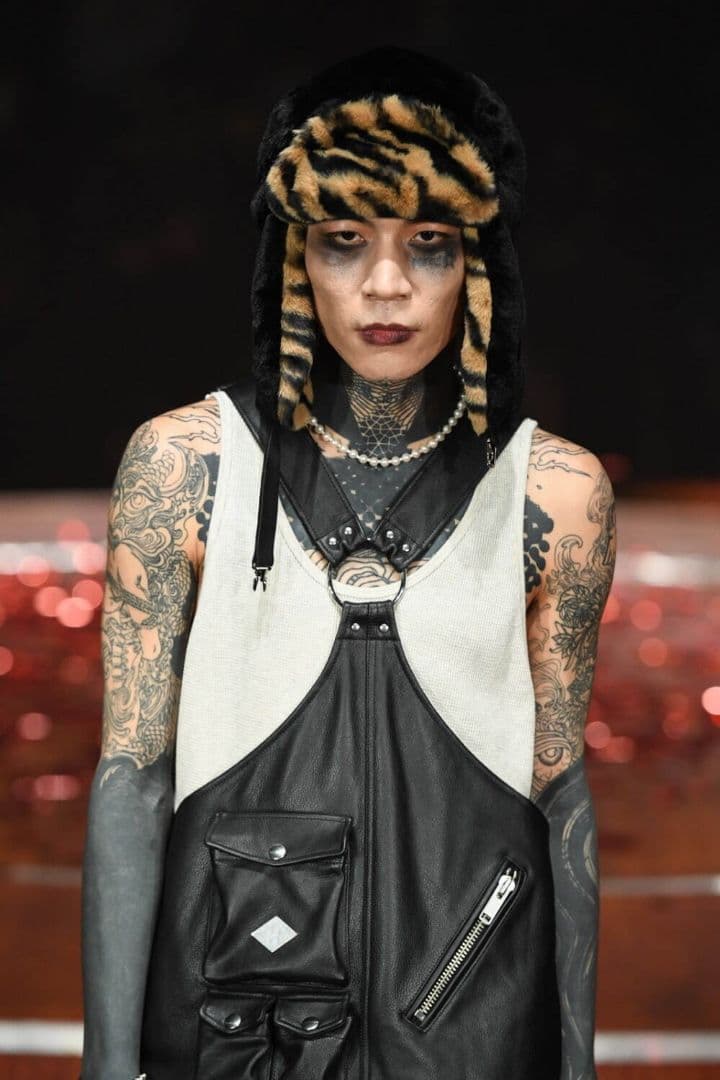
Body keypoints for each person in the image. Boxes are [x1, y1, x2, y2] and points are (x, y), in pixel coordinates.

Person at [80, 45, 616, 1080]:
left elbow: (559, 791)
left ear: (476, 261)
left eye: (428, 245)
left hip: (473, 1029)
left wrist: (577, 1065)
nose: (385, 284)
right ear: (295, 257)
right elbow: (132, 776)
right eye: (343, 241)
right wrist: (106, 1067)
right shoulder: (185, 464)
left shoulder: (554, 492)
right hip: (240, 1027)